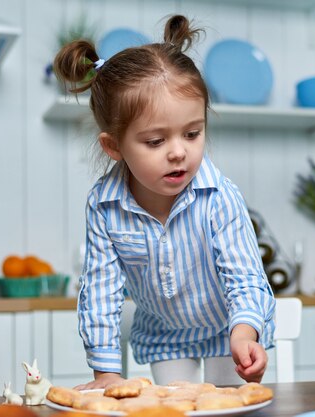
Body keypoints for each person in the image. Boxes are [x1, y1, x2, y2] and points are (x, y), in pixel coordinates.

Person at [52, 14, 275, 389]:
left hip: (230, 328)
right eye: (155, 141)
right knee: (171, 408)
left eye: (192, 133)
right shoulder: (104, 207)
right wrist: (105, 373)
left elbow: (246, 276)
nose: (178, 153)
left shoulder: (219, 197)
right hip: (165, 335)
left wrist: (245, 333)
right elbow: (101, 289)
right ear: (113, 146)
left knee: (229, 409)